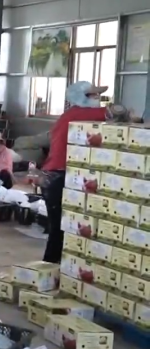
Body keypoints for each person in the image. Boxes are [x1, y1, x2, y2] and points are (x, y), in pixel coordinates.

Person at [42, 82, 109, 263]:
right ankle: (48, 268)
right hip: (58, 177)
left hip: (58, 175)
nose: (98, 98)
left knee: (65, 227)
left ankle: (59, 266)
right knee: (59, 228)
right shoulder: (79, 113)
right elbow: (113, 114)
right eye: (94, 95)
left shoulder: (71, 115)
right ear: (82, 97)